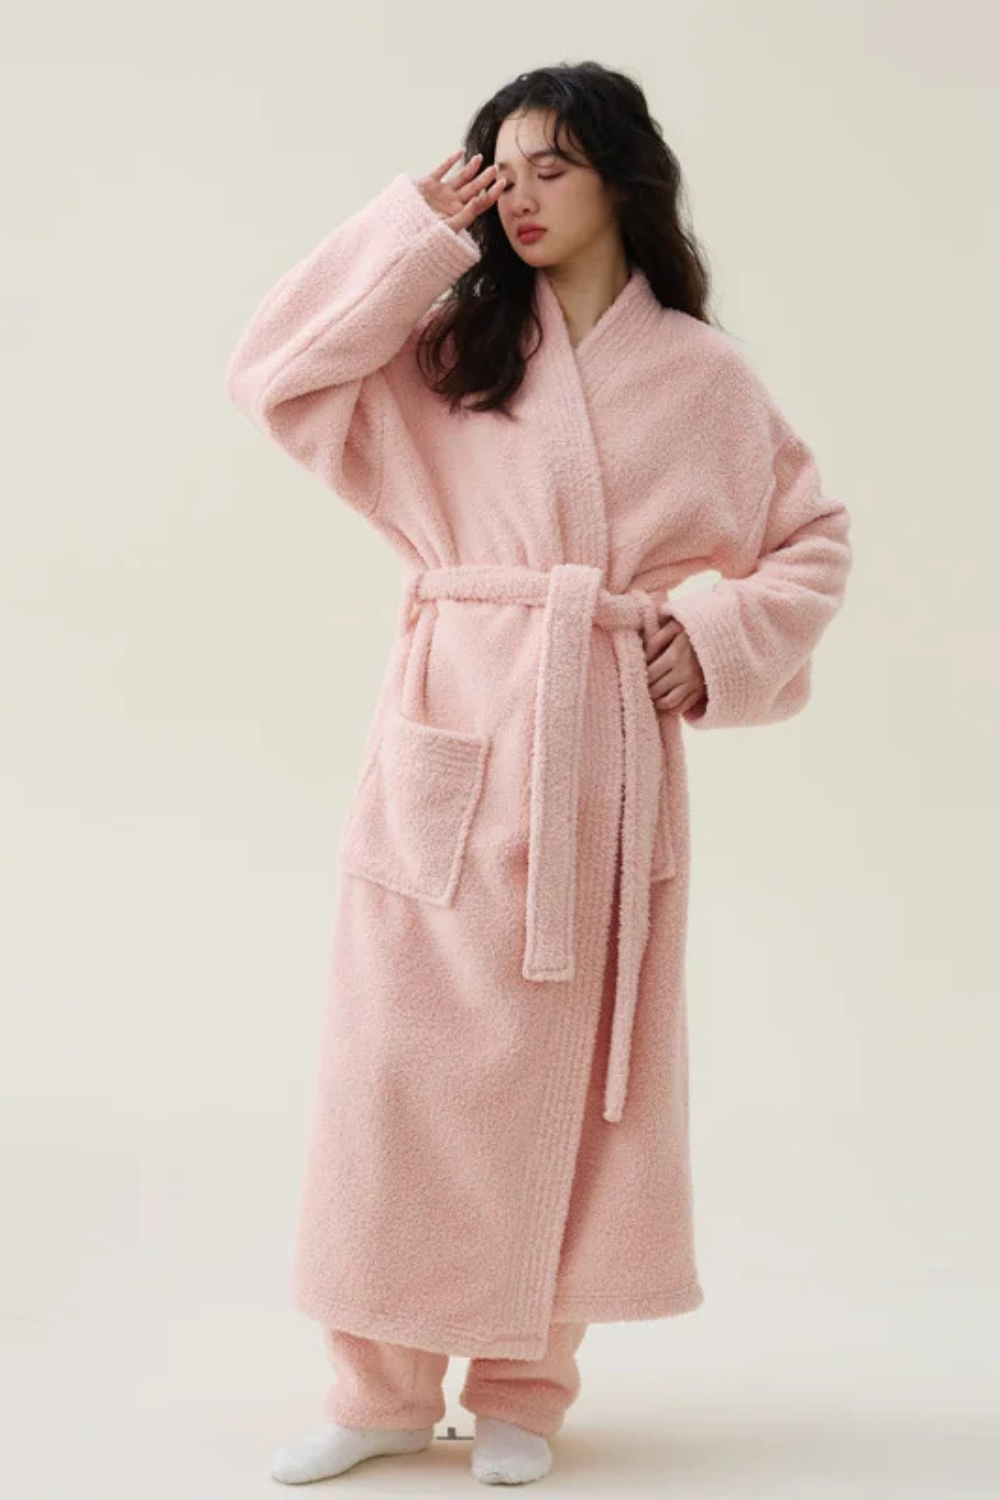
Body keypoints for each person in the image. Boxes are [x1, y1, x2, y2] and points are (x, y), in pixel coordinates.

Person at [224, 61, 852, 1488]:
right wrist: (410, 233)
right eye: (498, 170)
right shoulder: (453, 348)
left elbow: (810, 537)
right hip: (451, 727)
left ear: (624, 180)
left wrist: (713, 636)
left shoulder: (701, 376)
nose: (519, 195)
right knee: (396, 1074)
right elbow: (276, 372)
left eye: (551, 168)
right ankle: (379, 1391)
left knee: (576, 1087)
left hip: (602, 763)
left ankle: (522, 1389)